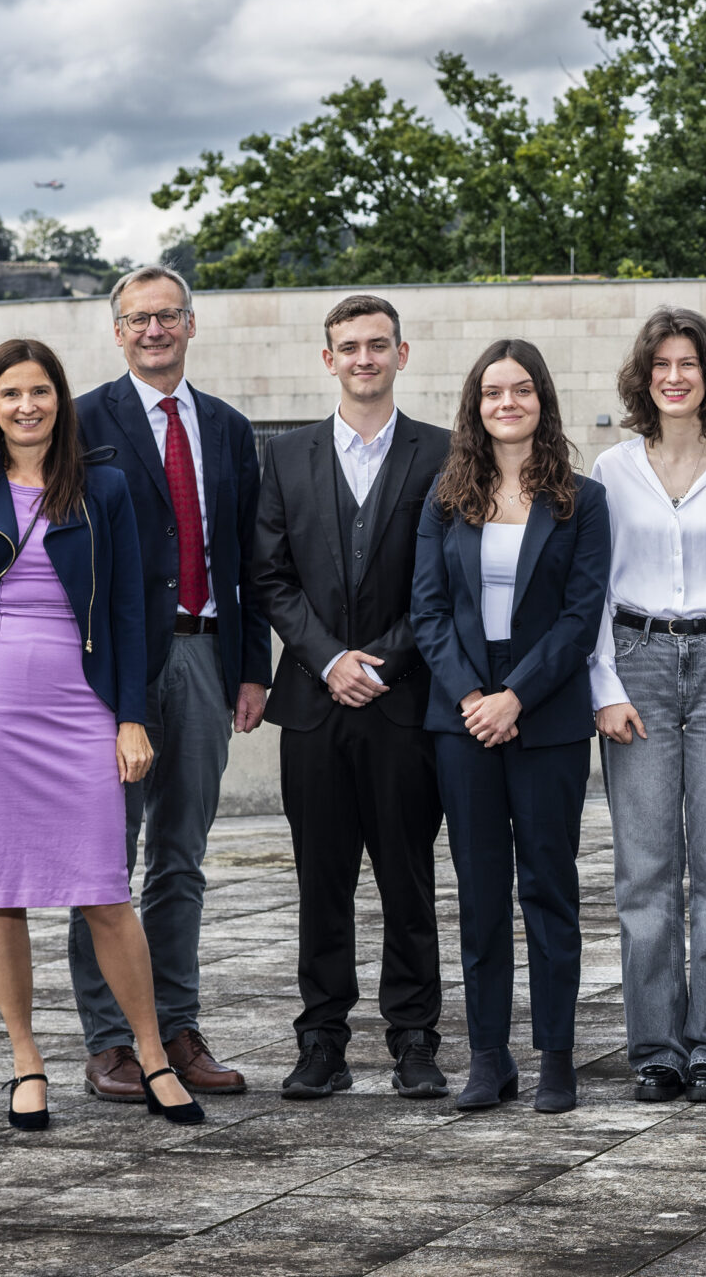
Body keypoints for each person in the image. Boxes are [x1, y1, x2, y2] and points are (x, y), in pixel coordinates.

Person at [0, 339, 198, 1131]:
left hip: (81, 707)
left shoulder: (101, 488)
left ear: (59, 401)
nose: (27, 406)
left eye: (40, 392)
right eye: (11, 395)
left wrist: (130, 715)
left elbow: (129, 611)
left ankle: (151, 1056)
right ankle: (25, 1061)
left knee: (106, 889)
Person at [69, 266, 270, 1103]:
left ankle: (178, 1029)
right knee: (102, 862)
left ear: (192, 326)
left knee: (180, 858)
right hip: (112, 666)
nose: (154, 329)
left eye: (169, 316)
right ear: (117, 332)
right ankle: (113, 1040)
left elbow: (249, 556)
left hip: (205, 654)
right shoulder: (82, 422)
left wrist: (253, 664)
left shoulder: (226, 428)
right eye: (138, 318)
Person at [251, 295, 451, 1102]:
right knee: (320, 882)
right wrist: (330, 659)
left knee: (409, 881)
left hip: (405, 708)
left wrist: (386, 663)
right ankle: (322, 1039)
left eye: (378, 345)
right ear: (326, 358)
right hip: (312, 705)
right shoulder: (287, 457)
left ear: (402, 355)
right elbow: (269, 576)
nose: (363, 358)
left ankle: (414, 1039)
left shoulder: (443, 453)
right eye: (349, 347)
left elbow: (447, 582)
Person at [413, 339, 611, 1116]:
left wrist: (516, 697)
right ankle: (488, 1058)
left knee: (551, 889)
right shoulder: (445, 497)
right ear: (476, 404)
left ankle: (556, 1058)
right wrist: (472, 697)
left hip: (548, 712)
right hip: (462, 714)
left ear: (542, 401)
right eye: (493, 392)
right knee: (481, 892)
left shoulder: (581, 500)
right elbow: (427, 612)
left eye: (521, 390)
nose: (507, 403)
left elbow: (578, 615)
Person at [590, 308, 706, 1106]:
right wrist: (607, 687)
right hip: (638, 662)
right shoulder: (611, 468)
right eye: (661, 364)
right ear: (643, 376)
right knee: (646, 873)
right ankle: (657, 1048)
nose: (674, 376)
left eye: (688, 363)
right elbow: (590, 585)